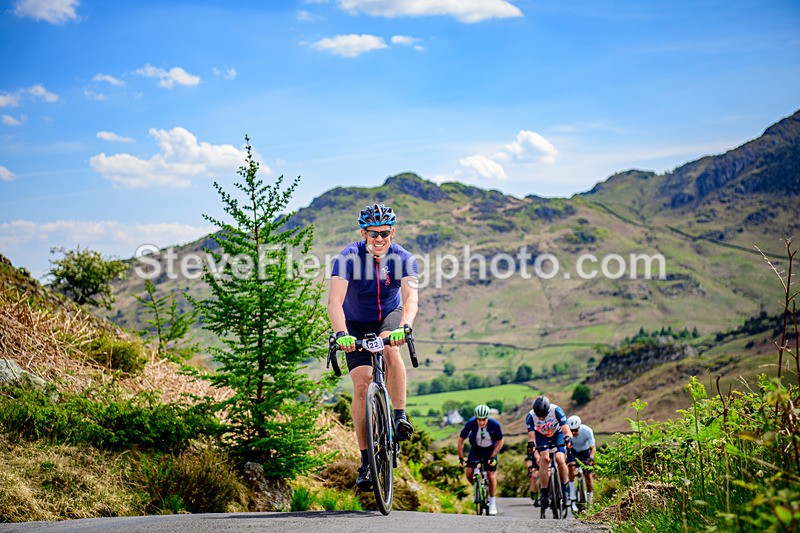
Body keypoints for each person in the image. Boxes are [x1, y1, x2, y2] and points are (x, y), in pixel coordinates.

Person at [327, 203, 419, 492]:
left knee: (391, 348)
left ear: (392, 231)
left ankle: (400, 416)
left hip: (388, 316)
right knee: (361, 384)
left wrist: (405, 326)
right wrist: (341, 333)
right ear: (363, 232)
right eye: (372, 233)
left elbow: (410, 297)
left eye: (385, 233)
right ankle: (367, 461)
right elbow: (334, 302)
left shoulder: (403, 258)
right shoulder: (347, 258)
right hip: (354, 322)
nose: (379, 239)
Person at [525, 395, 572, 510]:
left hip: (557, 434)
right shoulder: (530, 416)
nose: (541, 418)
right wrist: (531, 444)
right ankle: (544, 493)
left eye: (543, 415)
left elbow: (567, 431)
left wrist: (568, 438)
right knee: (544, 458)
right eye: (539, 416)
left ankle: (565, 491)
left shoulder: (556, 410)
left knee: (560, 458)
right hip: (541, 436)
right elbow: (531, 437)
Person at [457, 404, 504, 516]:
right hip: (476, 449)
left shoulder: (494, 424)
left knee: (491, 476)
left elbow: (500, 441)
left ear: (488, 418)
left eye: (484, 420)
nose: (482, 422)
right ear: (476, 418)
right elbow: (460, 440)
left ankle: (492, 502)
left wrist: (493, 456)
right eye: (479, 420)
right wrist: (460, 458)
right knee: (468, 472)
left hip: (490, 451)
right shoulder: (471, 423)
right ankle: (476, 489)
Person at [566, 415, 596, 509]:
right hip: (573, 451)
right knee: (570, 467)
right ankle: (572, 491)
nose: (574, 433)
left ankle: (590, 499)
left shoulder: (587, 431)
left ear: (579, 427)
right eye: (572, 430)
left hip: (585, 451)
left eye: (575, 430)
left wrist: (591, 457)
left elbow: (592, 447)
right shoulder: (566, 433)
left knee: (588, 475)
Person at [524, 440, 540, 507]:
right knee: (533, 477)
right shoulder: (529, 453)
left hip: (542, 466)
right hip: (535, 468)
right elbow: (528, 462)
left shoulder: (539, 449)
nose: (530, 449)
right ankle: (535, 497)